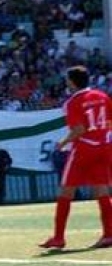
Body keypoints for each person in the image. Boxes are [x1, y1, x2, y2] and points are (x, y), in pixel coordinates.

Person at [40, 66, 112, 249]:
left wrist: (63, 143)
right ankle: (109, 234)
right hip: (104, 146)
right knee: (102, 190)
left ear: (71, 82)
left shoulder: (73, 102)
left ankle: (58, 237)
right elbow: (109, 123)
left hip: (84, 148)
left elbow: (79, 129)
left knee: (66, 191)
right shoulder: (102, 96)